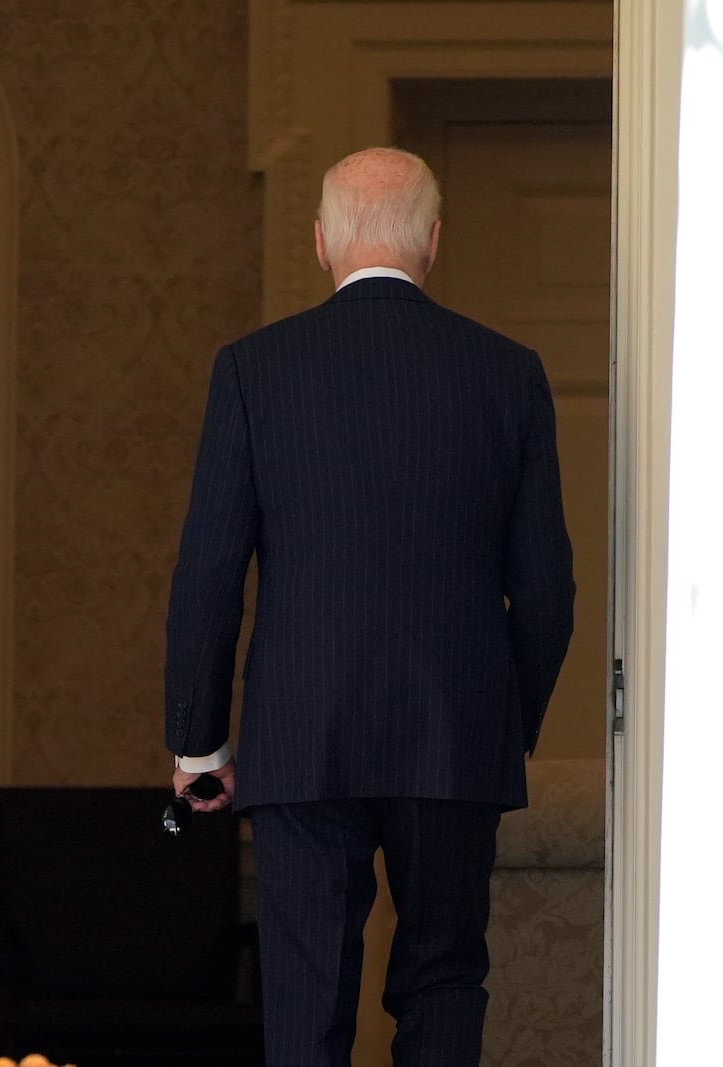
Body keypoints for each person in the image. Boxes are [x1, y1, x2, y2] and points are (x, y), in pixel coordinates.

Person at [163, 147, 576, 1067]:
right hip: (454, 732)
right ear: (433, 241)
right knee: (441, 978)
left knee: (305, 998)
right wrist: (506, 721)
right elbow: (547, 586)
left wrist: (200, 743)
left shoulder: (254, 370)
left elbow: (208, 572)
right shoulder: (509, 372)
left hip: (302, 737)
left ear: (320, 242)